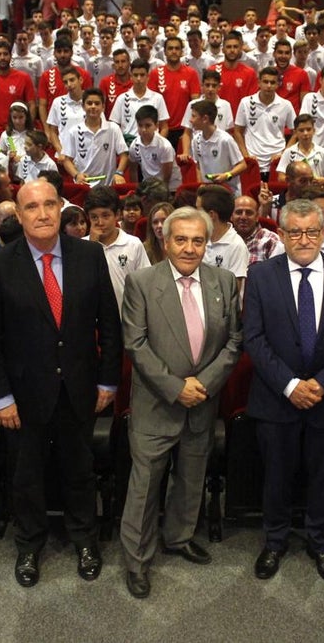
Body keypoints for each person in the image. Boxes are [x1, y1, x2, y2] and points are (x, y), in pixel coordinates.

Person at [0, 178, 123, 587]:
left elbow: (109, 325)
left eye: (49, 205)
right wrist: (1, 397)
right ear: (19, 215)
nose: (42, 214)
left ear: (61, 208)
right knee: (26, 475)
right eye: (32, 207)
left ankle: (85, 540)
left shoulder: (90, 255)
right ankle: (28, 544)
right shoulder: (0, 264)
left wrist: (108, 382)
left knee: (80, 470)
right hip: (22, 394)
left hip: (80, 387)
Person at [118, 206, 242, 598]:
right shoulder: (141, 282)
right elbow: (135, 344)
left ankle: (179, 537)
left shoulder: (224, 281)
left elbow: (234, 340)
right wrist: (176, 387)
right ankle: (137, 561)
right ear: (166, 241)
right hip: (157, 403)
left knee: (191, 477)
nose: (190, 248)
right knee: (144, 487)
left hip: (202, 400)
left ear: (208, 244)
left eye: (198, 240)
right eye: (181, 240)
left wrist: (202, 384)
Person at [244, 198, 324, 584]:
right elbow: (254, 338)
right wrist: (290, 385)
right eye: (295, 232)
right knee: (276, 476)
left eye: (311, 231)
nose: (303, 239)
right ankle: (275, 541)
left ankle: (321, 543)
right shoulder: (261, 275)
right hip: (275, 398)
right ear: (281, 234)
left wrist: (323, 383)